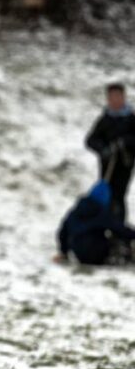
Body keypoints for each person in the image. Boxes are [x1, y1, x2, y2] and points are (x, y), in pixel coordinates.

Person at [85, 83, 135, 222]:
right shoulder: (105, 119)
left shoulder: (131, 118)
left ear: (124, 98)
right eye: (111, 97)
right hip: (107, 164)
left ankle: (118, 229)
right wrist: (103, 149)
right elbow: (90, 140)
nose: (115, 100)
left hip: (125, 164)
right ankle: (104, 226)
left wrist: (125, 142)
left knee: (118, 196)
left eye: (118, 97)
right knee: (106, 194)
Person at [55, 183, 135, 265]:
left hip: (79, 255)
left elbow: (62, 233)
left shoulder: (74, 212)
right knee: (117, 240)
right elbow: (121, 229)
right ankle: (125, 258)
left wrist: (64, 252)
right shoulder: (101, 213)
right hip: (97, 254)